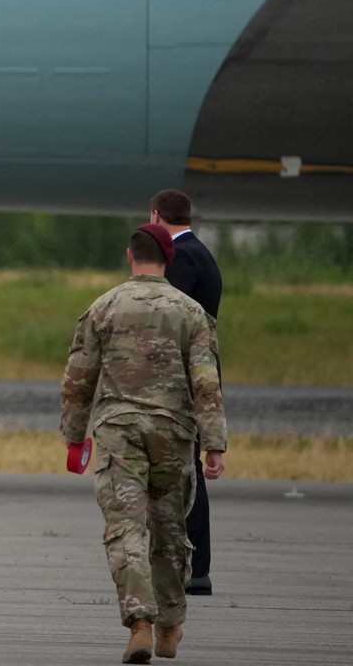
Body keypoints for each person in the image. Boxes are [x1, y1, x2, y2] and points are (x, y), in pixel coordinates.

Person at [61, 223, 227, 664]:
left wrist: (75, 438)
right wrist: (214, 443)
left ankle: (139, 622)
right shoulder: (191, 312)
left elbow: (79, 379)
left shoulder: (105, 307)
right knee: (170, 527)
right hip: (173, 433)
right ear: (169, 258)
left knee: (126, 527)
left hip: (119, 431)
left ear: (129, 256)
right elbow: (206, 382)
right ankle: (171, 624)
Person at [149, 188, 224, 597]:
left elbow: (167, 315)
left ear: (156, 215)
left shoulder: (181, 258)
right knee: (188, 470)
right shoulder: (202, 253)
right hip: (199, 373)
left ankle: (196, 568)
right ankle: (195, 567)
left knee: (186, 473)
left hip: (183, 378)